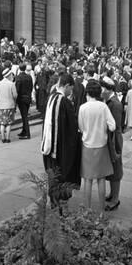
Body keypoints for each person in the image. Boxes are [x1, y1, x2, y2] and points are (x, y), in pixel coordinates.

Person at [41, 73, 81, 208]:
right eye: (71, 88)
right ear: (67, 85)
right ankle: (60, 205)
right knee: (61, 175)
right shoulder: (64, 102)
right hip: (61, 149)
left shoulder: (51, 97)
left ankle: (53, 202)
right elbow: (72, 127)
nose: (71, 92)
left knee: (53, 175)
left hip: (50, 146)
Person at [78, 80, 116, 214]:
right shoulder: (103, 107)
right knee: (101, 180)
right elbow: (113, 126)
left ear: (87, 92)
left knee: (87, 180)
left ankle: (87, 211)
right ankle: (101, 212)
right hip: (101, 145)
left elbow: (81, 127)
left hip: (87, 145)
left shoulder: (83, 107)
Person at [101, 76, 123, 211]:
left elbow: (114, 126)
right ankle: (112, 195)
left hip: (114, 140)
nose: (101, 90)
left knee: (115, 170)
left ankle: (115, 199)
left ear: (108, 89)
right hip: (110, 139)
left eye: (102, 88)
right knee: (111, 169)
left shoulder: (114, 104)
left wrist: (114, 148)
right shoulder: (110, 101)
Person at [0, 67, 17, 143]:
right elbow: (15, 95)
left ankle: (3, 138)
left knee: (2, 123)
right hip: (9, 105)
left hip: (0, 106)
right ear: (9, 75)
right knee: (8, 123)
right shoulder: (11, 84)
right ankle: (7, 138)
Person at [15, 62, 33, 139]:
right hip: (28, 97)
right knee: (24, 115)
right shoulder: (29, 77)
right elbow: (31, 87)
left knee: (24, 116)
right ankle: (24, 131)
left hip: (21, 98)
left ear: (19, 68)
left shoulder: (18, 77)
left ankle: (27, 133)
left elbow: (17, 89)